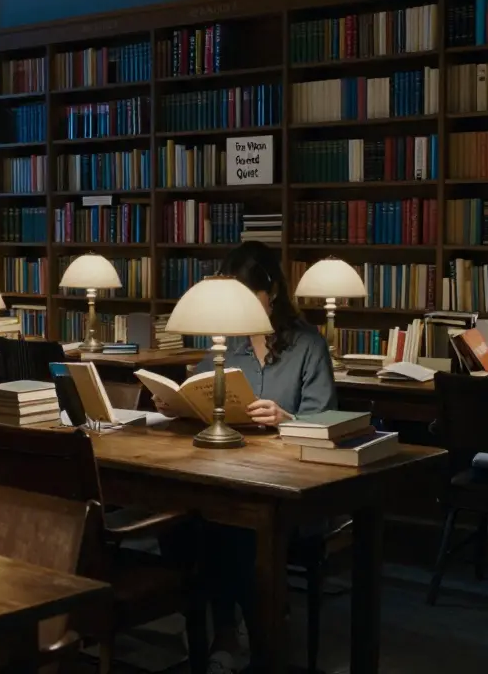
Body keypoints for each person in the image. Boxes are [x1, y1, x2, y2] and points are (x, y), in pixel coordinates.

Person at [153, 241, 338, 673]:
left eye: (248, 296)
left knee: (233, 528)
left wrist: (284, 416)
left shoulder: (308, 345)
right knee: (180, 522)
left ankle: (252, 634)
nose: (240, 308)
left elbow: (327, 421)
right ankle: (218, 624)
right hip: (228, 473)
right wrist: (175, 403)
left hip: (292, 486)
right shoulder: (228, 344)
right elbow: (197, 394)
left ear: (271, 290)